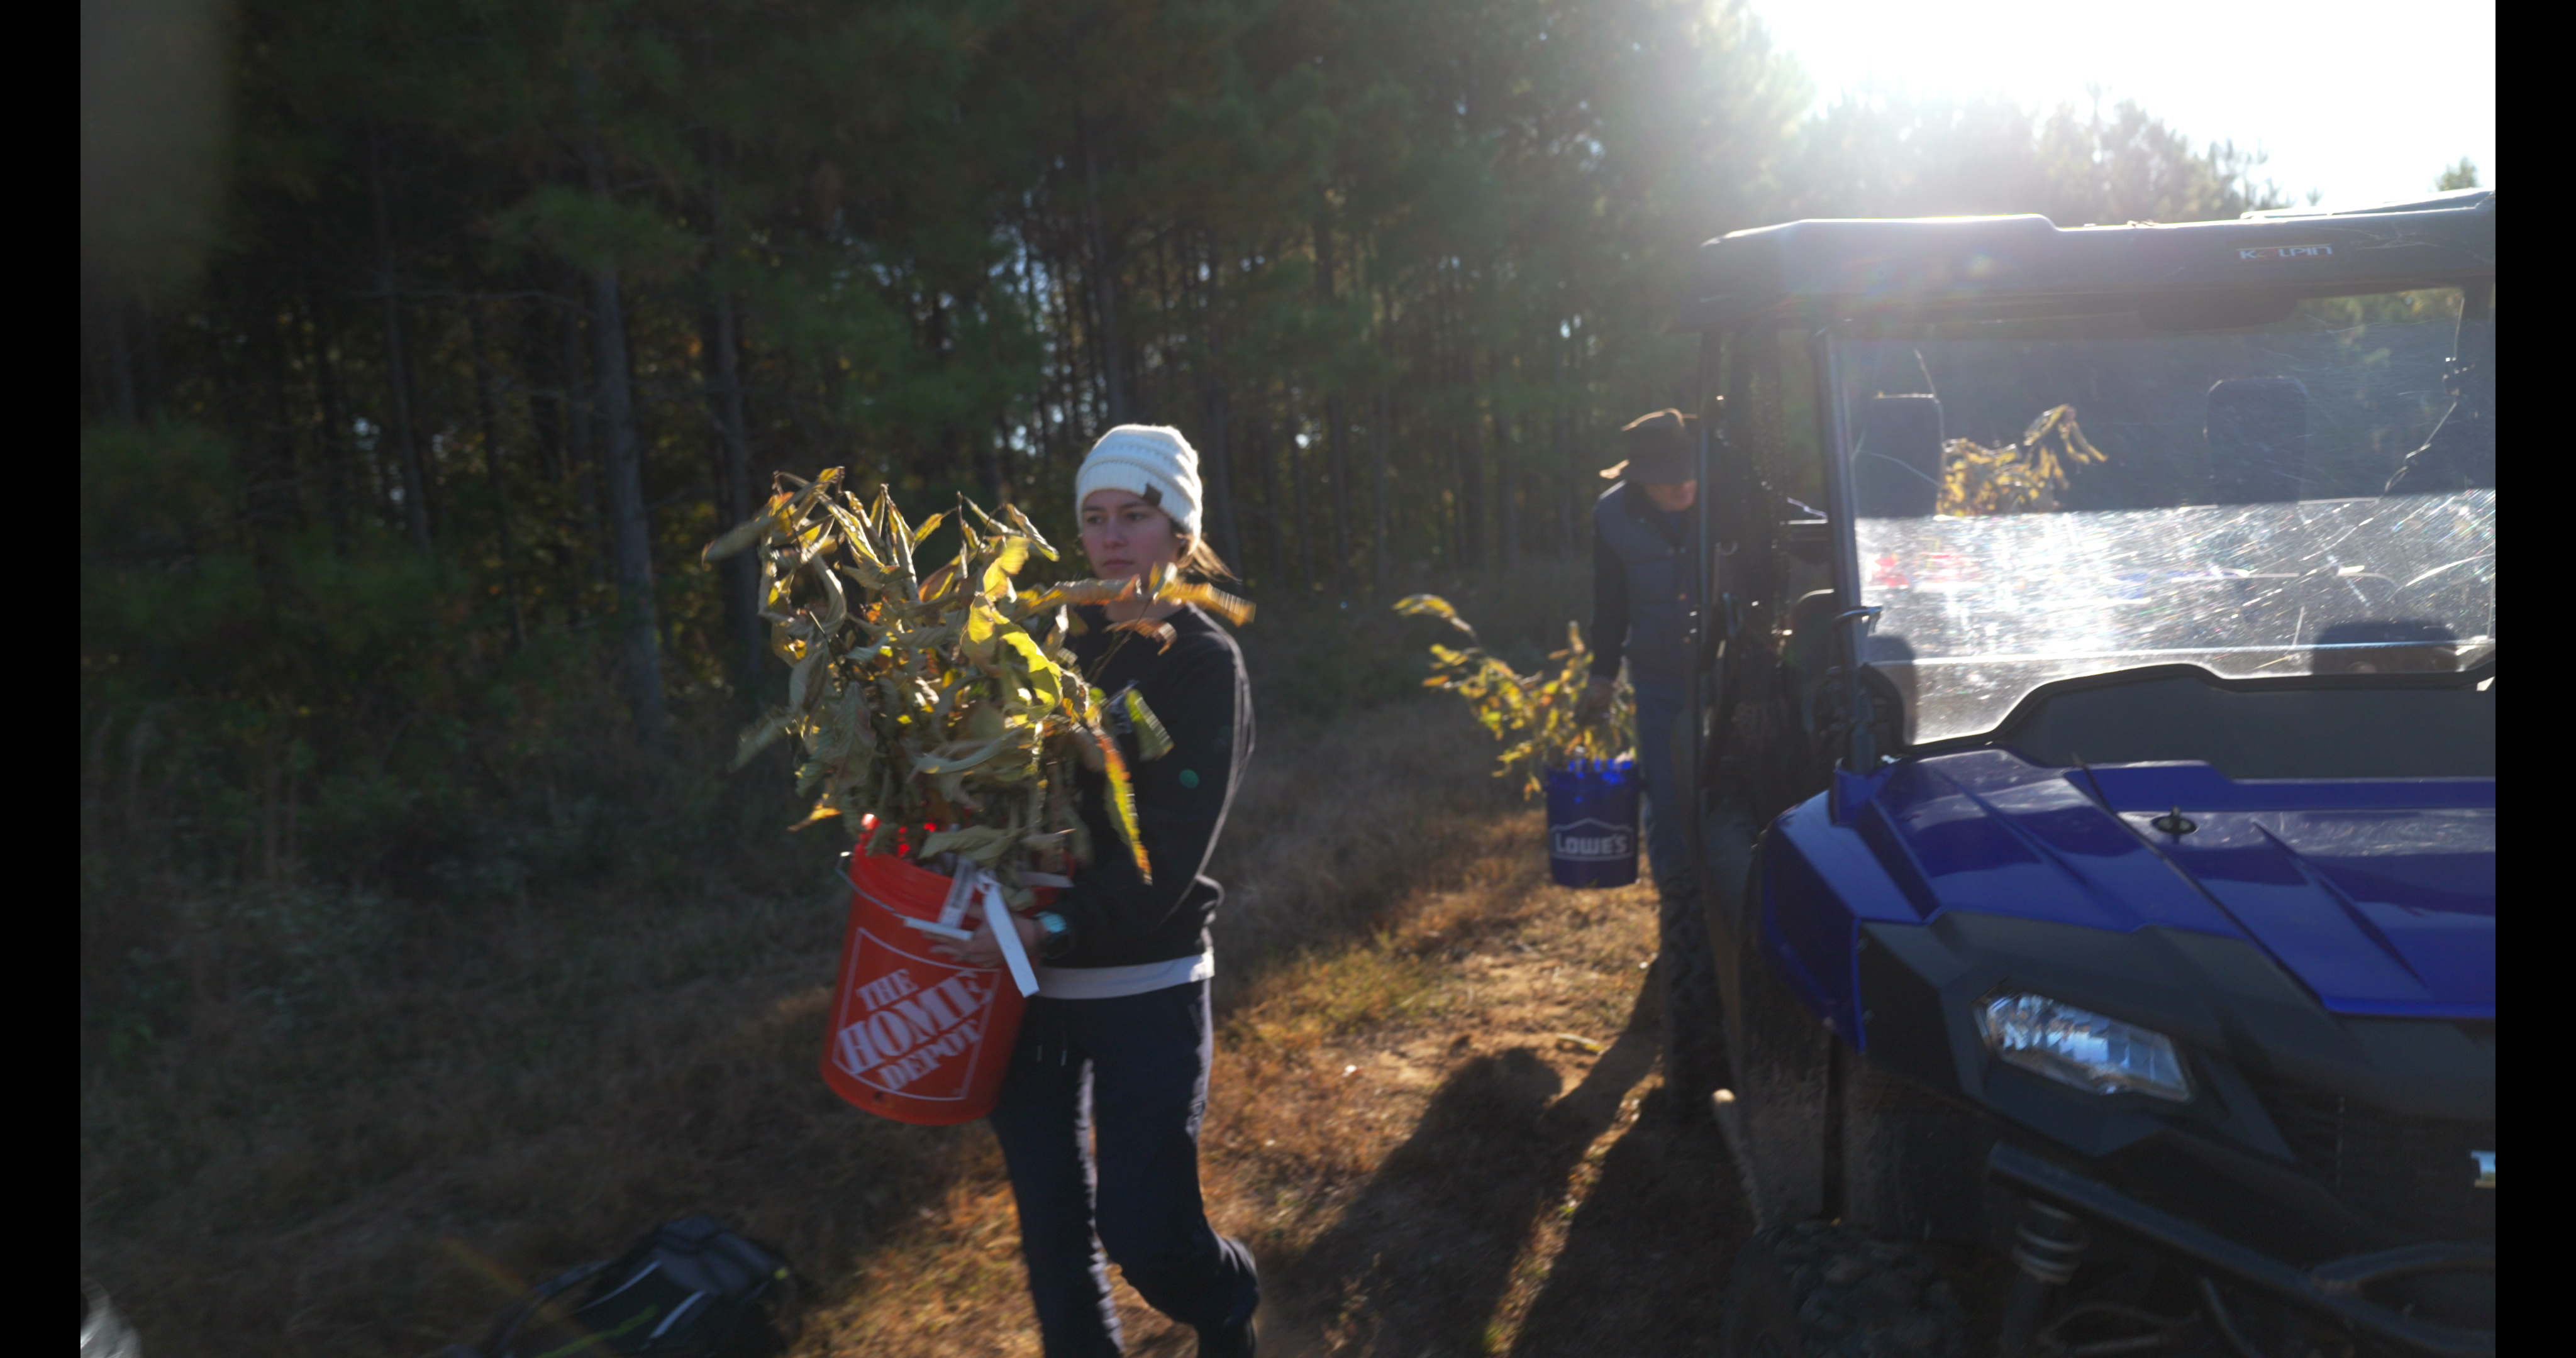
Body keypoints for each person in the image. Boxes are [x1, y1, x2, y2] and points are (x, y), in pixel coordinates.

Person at [935, 424, 1262, 1358]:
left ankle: (1226, 1300)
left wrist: (1061, 924)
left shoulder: (1200, 663)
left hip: (1142, 984)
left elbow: (1168, 846)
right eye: (1094, 518)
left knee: (1146, 1236)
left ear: (1179, 532)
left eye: (1135, 515)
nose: (1112, 537)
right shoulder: (1042, 651)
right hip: (1026, 987)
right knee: (1052, 1231)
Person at [1575, 408, 1728, 1110]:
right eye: (1667, 483)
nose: (1683, 492)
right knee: (1667, 807)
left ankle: (1724, 923)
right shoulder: (1612, 518)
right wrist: (1600, 678)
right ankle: (1683, 938)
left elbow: (1807, 531)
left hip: (1733, 679)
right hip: (1661, 685)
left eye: (1689, 478)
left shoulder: (1732, 494)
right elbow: (1609, 604)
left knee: (1726, 802)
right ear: (1638, 479)